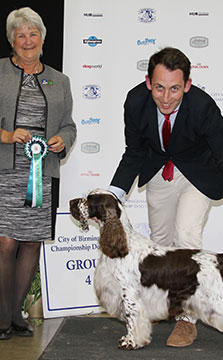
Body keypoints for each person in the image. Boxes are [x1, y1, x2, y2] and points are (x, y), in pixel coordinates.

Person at [109, 47, 223, 347]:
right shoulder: (135, 102)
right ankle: (166, 307)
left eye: (175, 89)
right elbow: (134, 153)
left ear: (188, 85)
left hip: (199, 174)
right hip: (158, 171)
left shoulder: (204, 108)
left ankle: (186, 320)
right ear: (147, 83)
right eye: (159, 88)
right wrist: (113, 198)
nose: (166, 98)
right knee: (161, 243)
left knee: (186, 234)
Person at [0, 7, 76, 340]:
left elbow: (69, 126)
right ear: (11, 41)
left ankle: (15, 316)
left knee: (31, 243)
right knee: (5, 243)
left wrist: (62, 141)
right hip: (5, 169)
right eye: (21, 35)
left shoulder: (60, 80)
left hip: (40, 171)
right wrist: (5, 135)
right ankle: (2, 318)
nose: (28, 41)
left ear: (43, 38)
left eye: (33, 34)